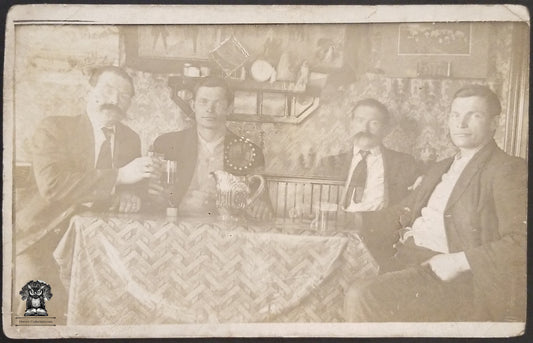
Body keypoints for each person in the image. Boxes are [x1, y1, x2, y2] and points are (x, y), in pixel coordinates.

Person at [344, 85, 527, 322]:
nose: (461, 124)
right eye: (455, 115)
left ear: (494, 123)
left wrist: (459, 261)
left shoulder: (507, 169)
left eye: (474, 115)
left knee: (362, 295)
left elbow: (522, 242)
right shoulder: (441, 167)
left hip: (457, 280)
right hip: (408, 260)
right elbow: (402, 212)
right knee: (341, 281)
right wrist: (349, 220)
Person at [15, 66, 157, 321]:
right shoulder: (55, 128)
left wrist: (132, 195)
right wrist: (120, 176)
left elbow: (133, 189)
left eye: (124, 96)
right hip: (44, 239)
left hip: (100, 247)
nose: (114, 100)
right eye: (108, 90)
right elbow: (53, 186)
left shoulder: (130, 139)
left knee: (126, 305)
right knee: (38, 313)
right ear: (88, 92)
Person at [152, 76, 273, 219]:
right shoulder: (167, 143)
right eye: (203, 102)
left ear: (229, 108)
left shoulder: (249, 152)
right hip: (176, 227)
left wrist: (260, 207)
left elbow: (261, 203)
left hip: (226, 231)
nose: (209, 109)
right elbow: (152, 196)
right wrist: (155, 195)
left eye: (218, 103)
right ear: (193, 105)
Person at [319, 98, 421, 215]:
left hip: (380, 227)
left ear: (385, 129)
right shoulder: (329, 163)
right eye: (360, 120)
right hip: (338, 225)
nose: (364, 128)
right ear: (351, 124)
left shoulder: (404, 162)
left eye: (374, 123)